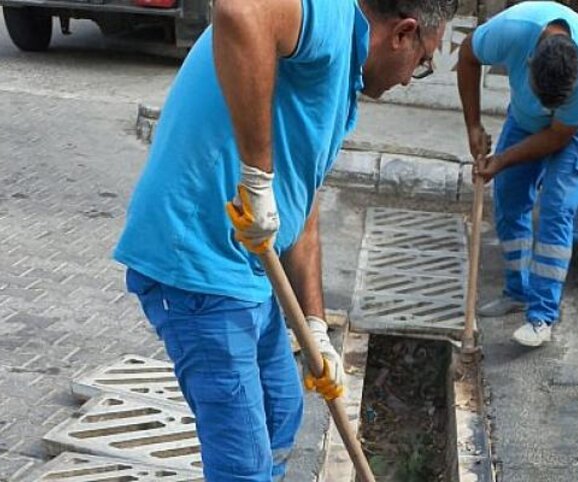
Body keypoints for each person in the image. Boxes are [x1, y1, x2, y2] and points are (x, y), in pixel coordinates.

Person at [113, 0, 456, 480]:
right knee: (243, 462)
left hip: (246, 269)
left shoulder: (344, 76)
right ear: (403, 33)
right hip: (198, 260)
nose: (408, 78)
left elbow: (301, 203)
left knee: (281, 409)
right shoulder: (334, 19)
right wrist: (257, 175)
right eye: (422, 63)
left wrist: (315, 326)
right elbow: (238, 11)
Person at [457, 1, 578, 348]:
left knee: (557, 209)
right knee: (510, 201)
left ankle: (541, 315)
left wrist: (501, 159)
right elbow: (466, 57)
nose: (549, 110)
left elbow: (558, 135)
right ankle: (517, 291)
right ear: (527, 64)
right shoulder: (510, 30)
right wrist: (473, 125)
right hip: (524, 117)